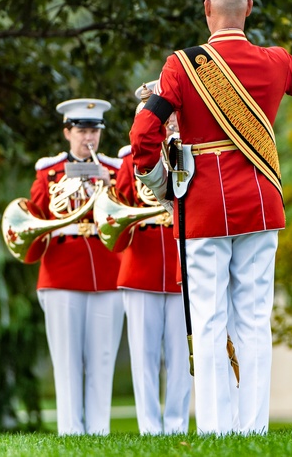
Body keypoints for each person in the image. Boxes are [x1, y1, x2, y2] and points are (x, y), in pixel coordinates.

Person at [130, 0, 292, 434]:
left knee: (207, 321)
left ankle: (215, 430)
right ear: (248, 8)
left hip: (202, 207)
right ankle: (254, 429)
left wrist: (158, 181)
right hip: (261, 203)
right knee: (254, 319)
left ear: (207, 10)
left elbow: (144, 131)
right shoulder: (272, 61)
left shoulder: (181, 66)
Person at [27, 98, 123, 435]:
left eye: (94, 130)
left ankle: (98, 431)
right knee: (67, 361)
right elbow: (35, 217)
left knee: (102, 358)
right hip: (61, 273)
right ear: (67, 132)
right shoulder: (49, 171)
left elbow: (126, 222)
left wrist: (113, 192)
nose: (89, 138)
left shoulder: (115, 171)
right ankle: (70, 431)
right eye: (82, 130)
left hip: (107, 272)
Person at [114, 81, 190, 435]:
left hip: (179, 264)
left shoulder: (189, 150)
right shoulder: (129, 158)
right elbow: (121, 202)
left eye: (171, 114)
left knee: (180, 355)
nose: (168, 121)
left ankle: (175, 425)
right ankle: (149, 427)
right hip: (141, 266)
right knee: (144, 357)